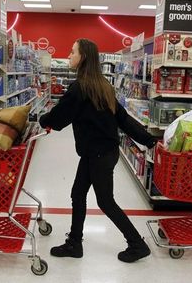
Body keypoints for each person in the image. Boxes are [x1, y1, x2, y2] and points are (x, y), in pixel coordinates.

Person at [39, 38, 156, 263]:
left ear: (83, 57)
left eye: (72, 52)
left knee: (105, 201)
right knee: (78, 194)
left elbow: (59, 116)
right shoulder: (103, 85)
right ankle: (74, 243)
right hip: (101, 152)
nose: (69, 55)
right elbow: (123, 119)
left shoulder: (80, 88)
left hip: (98, 154)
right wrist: (148, 140)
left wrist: (41, 119)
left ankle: (137, 244)